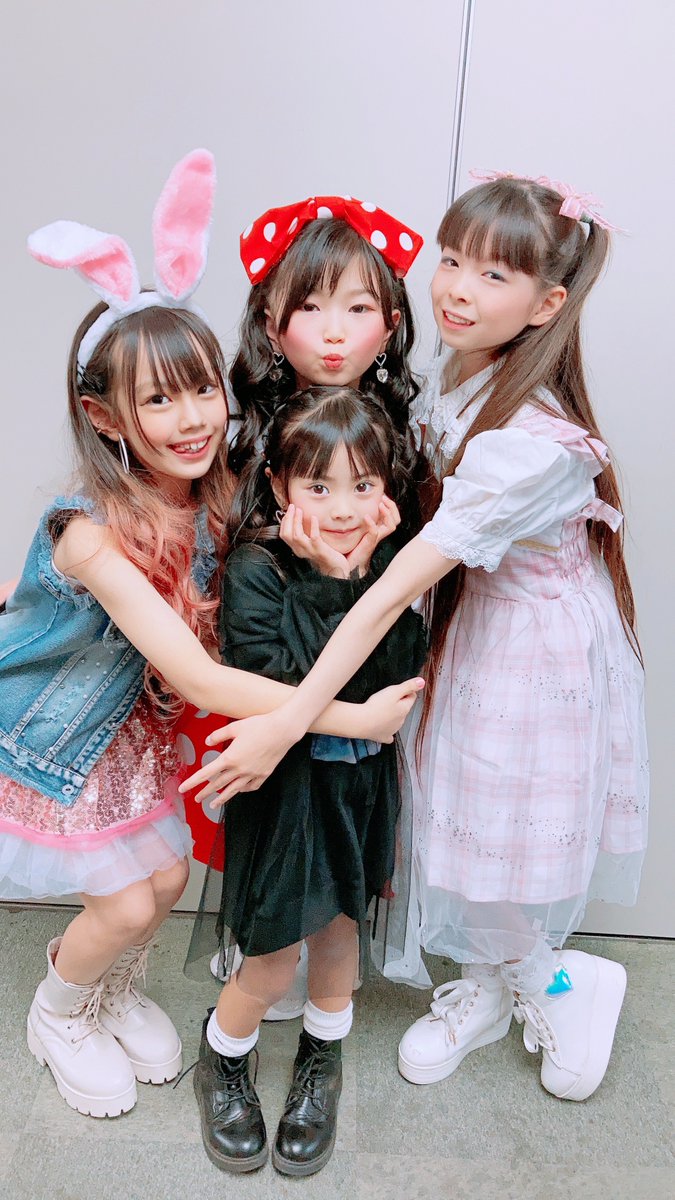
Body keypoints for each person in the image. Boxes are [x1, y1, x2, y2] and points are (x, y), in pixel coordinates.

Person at [182, 172, 649, 1104]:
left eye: (493, 275)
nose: (458, 290)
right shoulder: (460, 379)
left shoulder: (531, 440)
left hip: (524, 652)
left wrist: (288, 723)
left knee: (490, 836)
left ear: (547, 303)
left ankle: (554, 982)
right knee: (457, 831)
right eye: (451, 260)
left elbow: (390, 590)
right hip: (463, 629)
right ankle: (488, 983)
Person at [0, 152, 422, 1121]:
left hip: (132, 734)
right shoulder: (90, 531)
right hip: (56, 739)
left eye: (201, 390)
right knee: (127, 900)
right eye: (157, 400)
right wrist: (348, 715)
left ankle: (110, 993)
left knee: (164, 878)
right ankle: (59, 1010)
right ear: (102, 415)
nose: (191, 419)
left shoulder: (216, 494)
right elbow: (193, 671)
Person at [177, 192, 428, 1004]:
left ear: (390, 325)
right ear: (270, 321)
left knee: (340, 829)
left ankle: (315, 955)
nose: (332, 332)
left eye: (357, 308)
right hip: (256, 667)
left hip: (361, 681)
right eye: (309, 307)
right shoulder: (240, 438)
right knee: (264, 819)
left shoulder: (404, 445)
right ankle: (263, 943)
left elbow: (401, 608)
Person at [190, 386, 426, 1175]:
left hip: (360, 791)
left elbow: (398, 675)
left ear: (386, 489)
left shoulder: (391, 564)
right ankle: (223, 1056)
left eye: (363, 484)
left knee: (338, 937)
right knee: (270, 954)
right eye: (318, 485)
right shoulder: (257, 568)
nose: (343, 507)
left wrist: (356, 575)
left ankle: (321, 1057)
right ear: (280, 484)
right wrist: (326, 578)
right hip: (287, 793)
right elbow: (276, 686)